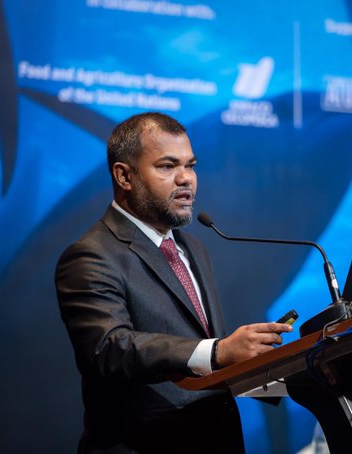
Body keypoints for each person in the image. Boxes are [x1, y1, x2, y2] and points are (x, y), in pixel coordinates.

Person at [55, 112, 292, 453]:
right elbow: (110, 349)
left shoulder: (193, 248)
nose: (186, 179)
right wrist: (220, 351)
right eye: (167, 166)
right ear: (124, 176)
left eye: (190, 166)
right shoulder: (91, 255)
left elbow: (206, 359)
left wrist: (292, 372)